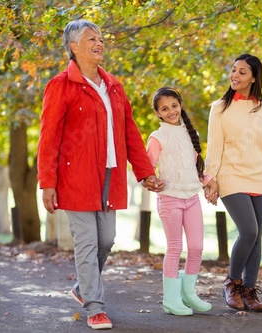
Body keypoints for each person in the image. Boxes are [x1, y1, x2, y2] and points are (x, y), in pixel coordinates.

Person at [37, 19, 163, 330]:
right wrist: (47, 184)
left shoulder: (114, 86)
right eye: (91, 38)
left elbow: (129, 133)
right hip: (74, 178)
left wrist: (145, 171)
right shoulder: (61, 85)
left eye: (101, 38)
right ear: (73, 47)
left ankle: (82, 289)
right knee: (87, 244)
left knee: (106, 240)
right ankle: (95, 307)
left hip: (110, 175)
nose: (99, 43)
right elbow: (48, 138)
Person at [205, 54, 262, 313]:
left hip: (260, 177)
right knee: (249, 231)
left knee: (257, 237)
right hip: (231, 176)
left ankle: (250, 292)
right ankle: (233, 283)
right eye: (233, 70)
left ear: (254, 77)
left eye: (242, 72)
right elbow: (215, 147)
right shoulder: (219, 108)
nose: (235, 75)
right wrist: (211, 179)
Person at [147, 87, 218, 316]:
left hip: (192, 198)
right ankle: (171, 299)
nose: (171, 111)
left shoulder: (192, 133)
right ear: (158, 113)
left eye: (174, 106)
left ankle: (188, 294)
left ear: (180, 105)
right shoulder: (157, 137)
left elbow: (194, 167)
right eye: (164, 109)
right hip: (170, 199)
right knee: (175, 248)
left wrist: (209, 182)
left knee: (196, 247)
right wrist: (151, 180)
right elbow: (147, 168)